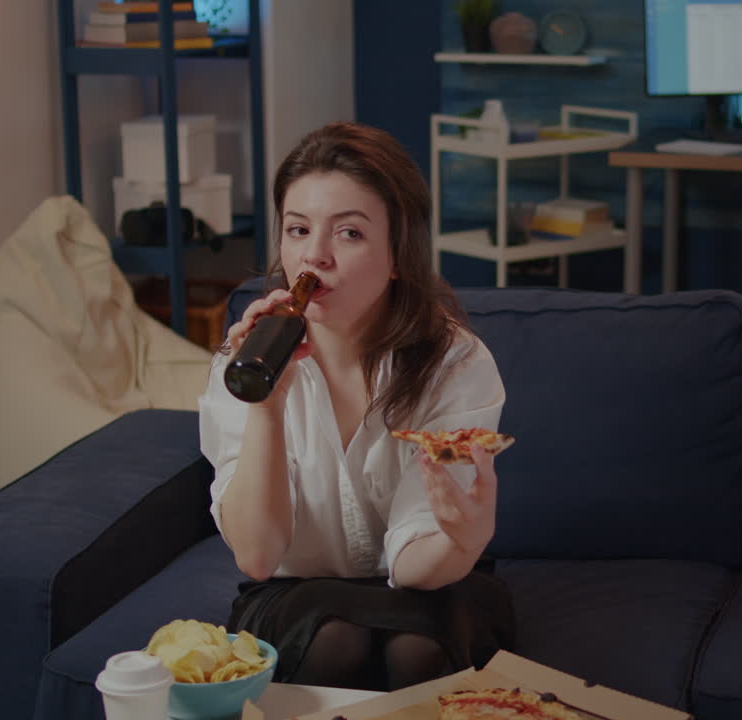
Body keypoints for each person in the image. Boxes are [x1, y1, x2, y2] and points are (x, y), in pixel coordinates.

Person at [197, 121, 514, 691]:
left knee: (416, 649)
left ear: (397, 255)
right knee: (334, 638)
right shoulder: (241, 363)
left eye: (348, 233)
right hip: (294, 596)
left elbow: (417, 562)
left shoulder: (455, 363)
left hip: (430, 583)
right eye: (297, 229)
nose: (314, 256)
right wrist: (266, 404)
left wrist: (464, 538)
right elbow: (258, 556)